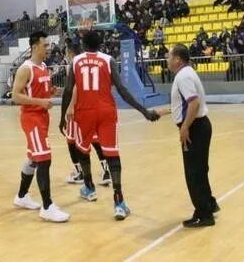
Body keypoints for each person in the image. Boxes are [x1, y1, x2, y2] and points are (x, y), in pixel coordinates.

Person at [61, 30, 160, 220]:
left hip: (84, 112)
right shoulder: (108, 60)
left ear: (83, 45)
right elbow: (122, 90)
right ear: (100, 45)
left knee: (82, 150)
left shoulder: (76, 61)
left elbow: (67, 90)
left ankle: (89, 187)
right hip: (106, 111)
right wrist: (144, 111)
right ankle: (119, 202)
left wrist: (62, 116)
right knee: (112, 153)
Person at [157, 44, 219, 228]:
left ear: (177, 59)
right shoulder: (187, 73)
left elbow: (194, 103)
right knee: (200, 170)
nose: (167, 60)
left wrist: (184, 127)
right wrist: (167, 111)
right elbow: (186, 103)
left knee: (193, 173)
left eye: (169, 56)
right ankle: (209, 204)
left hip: (194, 128)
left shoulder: (183, 76)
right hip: (199, 126)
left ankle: (203, 215)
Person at [11, 31, 70, 223]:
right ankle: (47, 206)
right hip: (32, 118)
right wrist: (40, 102)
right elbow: (15, 96)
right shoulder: (25, 69)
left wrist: (57, 91)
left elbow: (44, 90)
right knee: (44, 159)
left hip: (43, 118)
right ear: (35, 47)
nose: (48, 48)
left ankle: (21, 196)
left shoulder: (44, 66)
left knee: (33, 158)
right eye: (45, 45)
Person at [60, 43, 111, 186]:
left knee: (72, 140)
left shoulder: (75, 64)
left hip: (79, 108)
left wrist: (70, 106)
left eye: (66, 52)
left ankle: (80, 173)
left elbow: (76, 86)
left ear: (70, 52)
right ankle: (106, 170)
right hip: (92, 106)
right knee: (94, 139)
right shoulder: (89, 63)